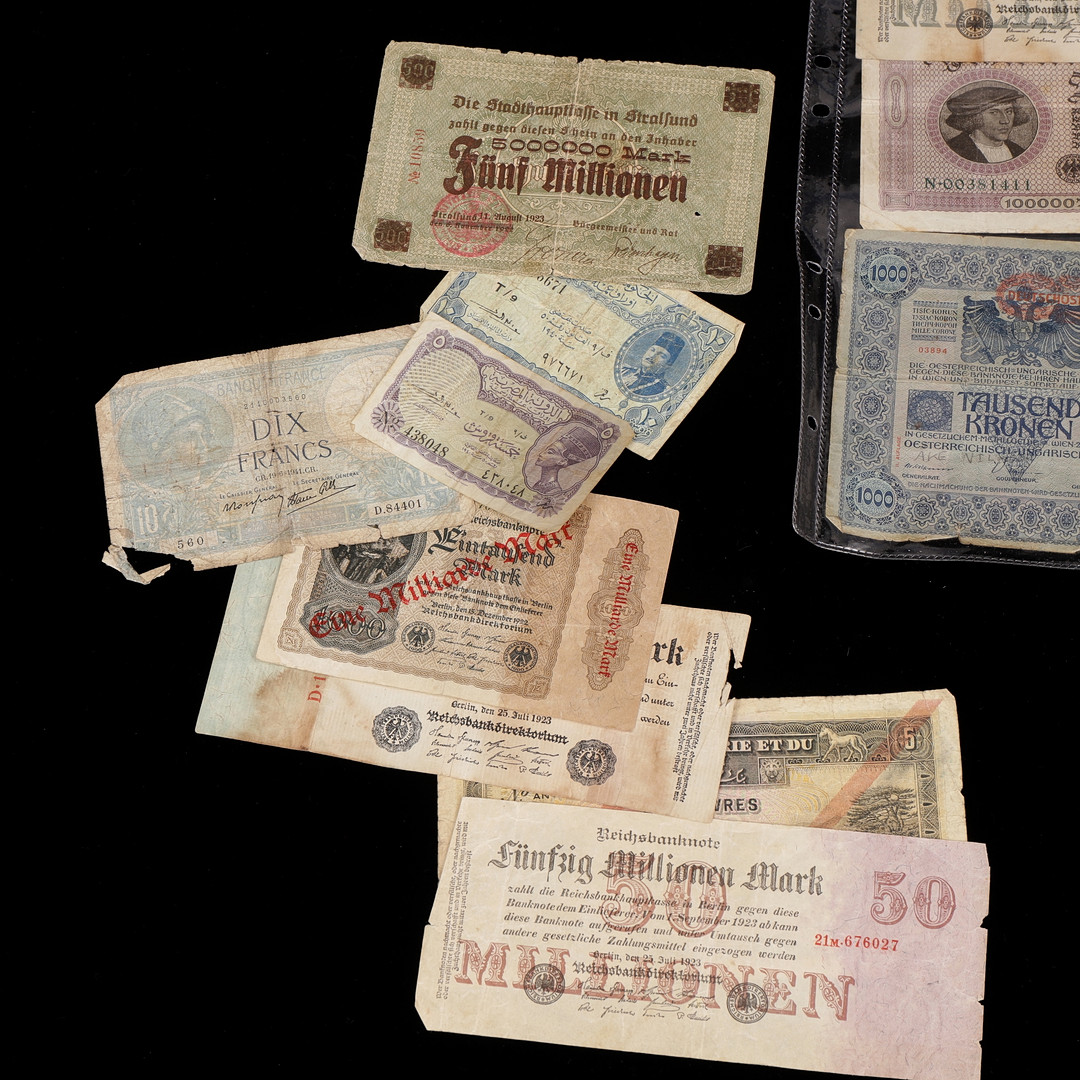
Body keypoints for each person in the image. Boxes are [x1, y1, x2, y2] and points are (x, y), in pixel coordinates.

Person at [943, 85, 1031, 163]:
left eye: (1009, 111)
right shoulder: (953, 152)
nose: (1005, 120)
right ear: (976, 118)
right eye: (994, 113)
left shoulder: (1019, 152)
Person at [530, 426, 601, 496]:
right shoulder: (539, 484)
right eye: (546, 450)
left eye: (550, 452)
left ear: (562, 461)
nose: (540, 454)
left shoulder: (553, 492)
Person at [619, 331, 685, 397]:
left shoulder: (664, 391)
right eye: (652, 350)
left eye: (661, 355)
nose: (652, 356)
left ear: (668, 365)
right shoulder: (623, 371)